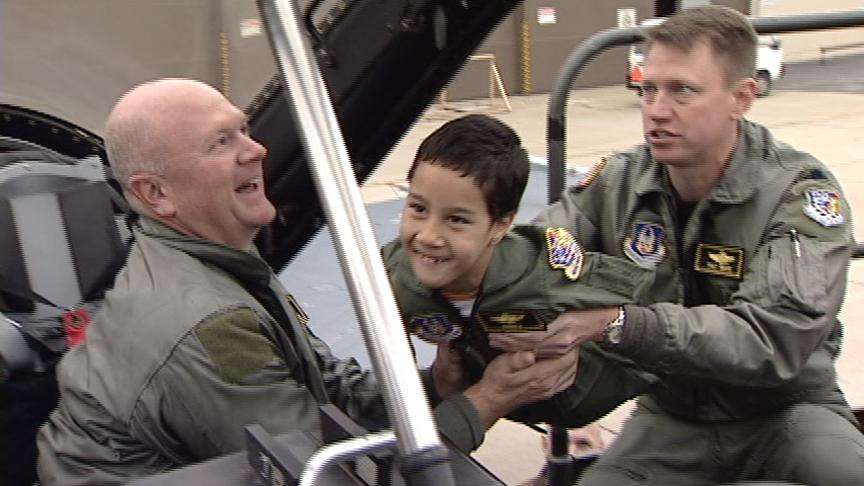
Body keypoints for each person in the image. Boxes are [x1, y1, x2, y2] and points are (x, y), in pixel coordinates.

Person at [35, 79, 581, 485]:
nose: (257, 150)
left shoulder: (216, 263)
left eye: (244, 129)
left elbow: (328, 391)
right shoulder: (207, 322)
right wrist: (489, 399)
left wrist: (438, 382)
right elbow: (325, 474)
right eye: (221, 142)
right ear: (156, 195)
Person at [498, 6, 864, 485]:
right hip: (670, 420)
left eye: (682, 91)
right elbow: (538, 257)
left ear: (742, 97)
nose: (657, 110)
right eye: (649, 89)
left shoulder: (798, 193)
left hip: (789, 413)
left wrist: (624, 325)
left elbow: (773, 339)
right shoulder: (618, 182)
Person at [382, 114, 657, 427]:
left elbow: (645, 297)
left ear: (500, 226)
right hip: (487, 399)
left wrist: (603, 326)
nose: (429, 236)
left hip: (585, 393)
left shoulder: (543, 271)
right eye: (418, 208)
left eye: (456, 220)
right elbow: (397, 386)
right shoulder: (388, 278)